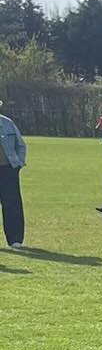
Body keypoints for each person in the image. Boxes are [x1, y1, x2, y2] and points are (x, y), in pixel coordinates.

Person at [0, 100, 26, 249]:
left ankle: (15, 239)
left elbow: (20, 144)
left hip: (8, 169)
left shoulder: (8, 123)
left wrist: (19, 163)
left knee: (12, 204)